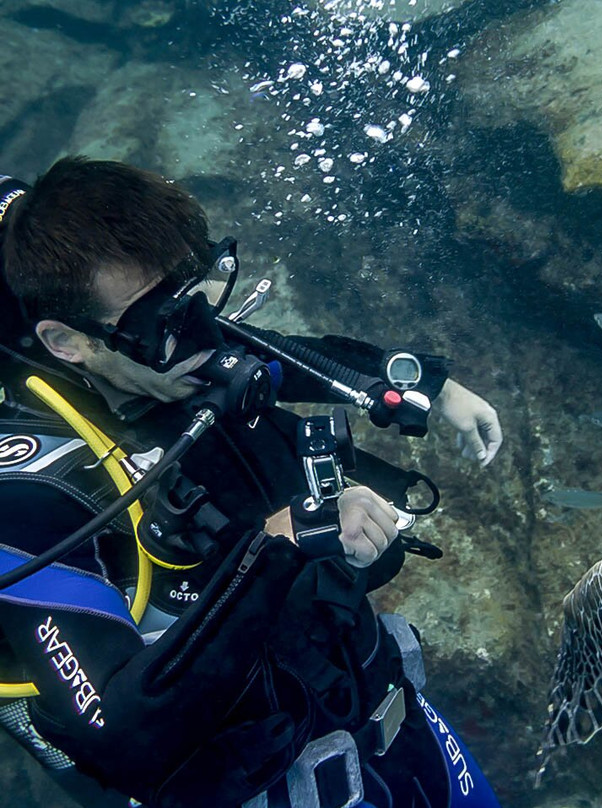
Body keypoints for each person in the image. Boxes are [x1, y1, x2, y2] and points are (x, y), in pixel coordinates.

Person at [0, 156, 504, 808]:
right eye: (166, 322)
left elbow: (275, 351)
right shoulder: (29, 496)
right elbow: (120, 733)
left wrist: (422, 385)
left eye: (205, 288)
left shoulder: (169, 345)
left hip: (383, 711)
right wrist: (274, 546)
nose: (211, 337)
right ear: (69, 342)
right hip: (263, 785)